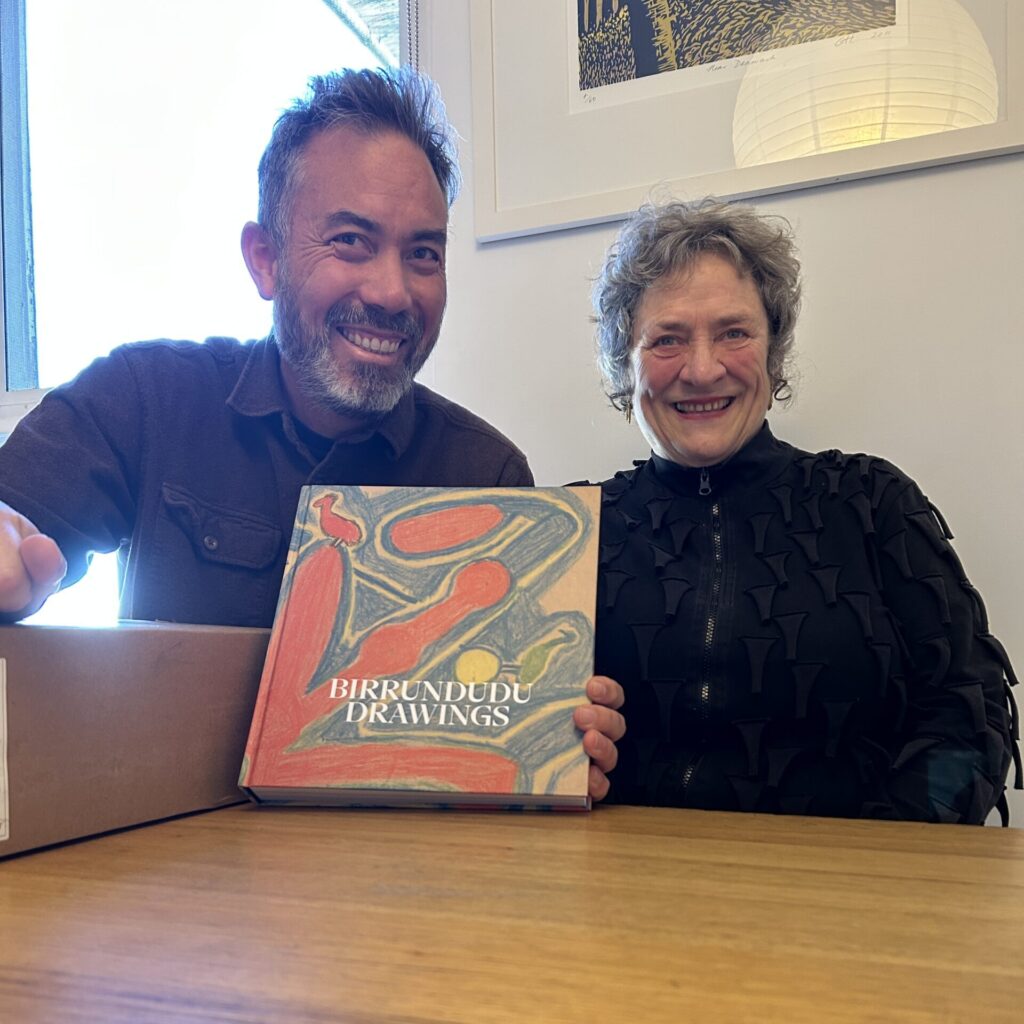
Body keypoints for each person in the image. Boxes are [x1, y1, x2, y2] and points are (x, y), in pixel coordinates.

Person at [0, 66, 624, 802]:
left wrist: (555, 743)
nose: (392, 291)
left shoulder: (488, 472)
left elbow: (505, 716)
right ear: (264, 259)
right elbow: (18, 522)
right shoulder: (143, 396)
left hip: (402, 863)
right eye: (351, 241)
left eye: (423, 253)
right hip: (171, 853)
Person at [587, 197, 1019, 824]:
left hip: (853, 877)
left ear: (773, 351)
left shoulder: (871, 502)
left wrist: (891, 850)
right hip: (619, 875)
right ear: (625, 365)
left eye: (734, 333)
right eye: (667, 339)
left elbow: (969, 709)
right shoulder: (577, 528)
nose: (702, 369)